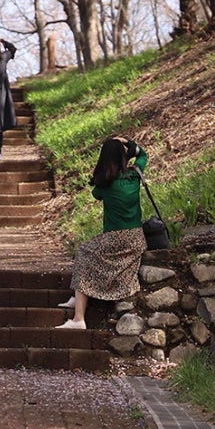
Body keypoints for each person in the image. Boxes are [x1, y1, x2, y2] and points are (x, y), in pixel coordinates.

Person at [57, 135, 147, 329]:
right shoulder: (134, 175)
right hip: (136, 238)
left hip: (115, 237)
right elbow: (143, 154)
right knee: (91, 253)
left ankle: (78, 318)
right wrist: (127, 143)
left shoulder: (105, 183)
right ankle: (78, 296)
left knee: (83, 252)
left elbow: (96, 195)